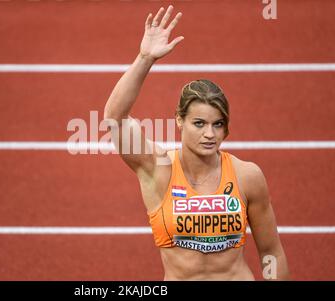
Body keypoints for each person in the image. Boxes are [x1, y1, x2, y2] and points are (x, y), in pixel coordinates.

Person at [103, 5, 290, 280]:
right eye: (199, 123)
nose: (209, 134)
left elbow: (272, 251)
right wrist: (145, 58)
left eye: (218, 124)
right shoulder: (157, 168)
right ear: (179, 121)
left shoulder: (248, 176)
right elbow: (115, 119)